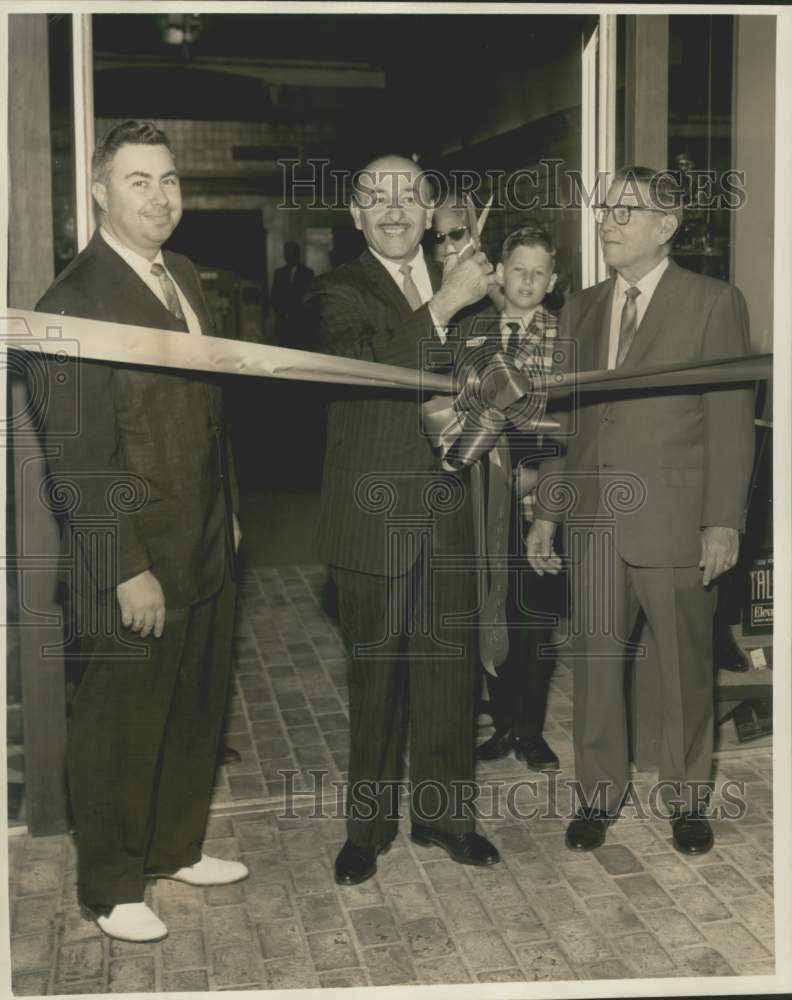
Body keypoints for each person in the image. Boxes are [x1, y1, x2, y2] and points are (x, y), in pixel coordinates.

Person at [36, 120, 246, 943]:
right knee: (121, 717)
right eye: (138, 181)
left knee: (194, 699)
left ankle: (173, 846)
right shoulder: (71, 301)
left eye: (169, 180)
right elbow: (78, 458)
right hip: (130, 552)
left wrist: (228, 514)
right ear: (98, 192)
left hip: (202, 537)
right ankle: (111, 884)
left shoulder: (183, 275)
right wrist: (126, 567)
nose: (161, 197)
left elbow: (210, 412)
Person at [528, 166, 755, 856]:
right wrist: (547, 511)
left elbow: (731, 419)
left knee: (685, 667)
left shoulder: (713, 303)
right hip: (595, 518)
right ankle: (599, 794)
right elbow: (569, 424)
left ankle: (687, 800)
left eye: (628, 212)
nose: (609, 223)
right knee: (595, 664)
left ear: (668, 225)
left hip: (676, 521)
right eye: (605, 212)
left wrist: (723, 521)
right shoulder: (582, 308)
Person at [308, 154, 501, 885]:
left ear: (428, 212)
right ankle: (368, 830)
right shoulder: (337, 292)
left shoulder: (472, 290)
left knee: (450, 676)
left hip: (451, 512)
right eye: (374, 199)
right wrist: (445, 304)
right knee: (376, 682)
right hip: (371, 515)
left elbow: (492, 384)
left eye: (408, 198)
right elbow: (359, 372)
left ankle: (447, 819)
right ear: (355, 215)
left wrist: (483, 398)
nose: (393, 210)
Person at [458, 224, 562, 772]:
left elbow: (564, 430)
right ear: (499, 272)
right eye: (517, 270)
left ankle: (531, 730)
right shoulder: (473, 333)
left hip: (534, 500)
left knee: (535, 622)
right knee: (489, 612)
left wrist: (543, 495)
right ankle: (501, 724)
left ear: (553, 278)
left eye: (538, 272)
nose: (526, 281)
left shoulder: (564, 338)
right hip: (483, 503)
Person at [270, 240, 314, 348]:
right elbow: (274, 296)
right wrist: (280, 314)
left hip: (301, 323)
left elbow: (310, 297)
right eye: (287, 253)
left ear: (297, 254)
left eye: (291, 253)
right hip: (284, 323)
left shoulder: (307, 273)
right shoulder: (279, 273)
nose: (289, 256)